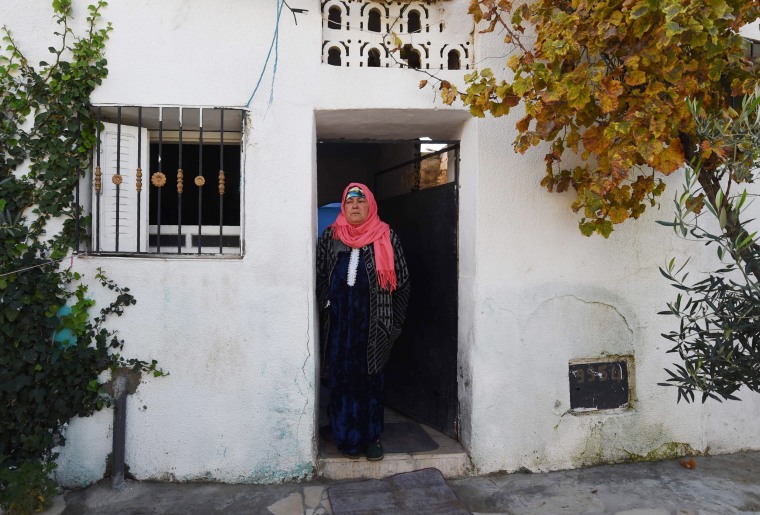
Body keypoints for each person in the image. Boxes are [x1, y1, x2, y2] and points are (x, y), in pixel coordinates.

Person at [316, 183, 410, 461]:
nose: (355, 206)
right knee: (341, 380)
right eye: (349, 201)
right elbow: (320, 275)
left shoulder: (386, 236)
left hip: (375, 327)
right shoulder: (331, 236)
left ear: (370, 205)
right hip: (339, 326)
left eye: (360, 201)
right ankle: (345, 436)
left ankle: (371, 438)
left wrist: (394, 326)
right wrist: (327, 301)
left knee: (370, 383)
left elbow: (403, 284)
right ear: (343, 207)